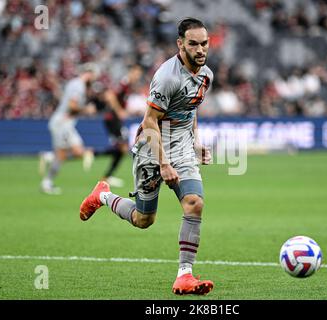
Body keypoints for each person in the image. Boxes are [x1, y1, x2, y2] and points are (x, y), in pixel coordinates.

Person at [79, 18, 214, 295]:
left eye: (204, 43)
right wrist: (163, 162)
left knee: (194, 203)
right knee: (144, 220)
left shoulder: (205, 75)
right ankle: (103, 195)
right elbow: (150, 121)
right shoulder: (167, 77)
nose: (200, 50)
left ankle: (184, 275)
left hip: (182, 146)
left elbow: (191, 109)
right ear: (180, 44)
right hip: (151, 148)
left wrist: (196, 143)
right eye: (193, 44)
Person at [40, 63, 98, 195]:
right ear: (89, 73)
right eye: (93, 76)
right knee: (62, 154)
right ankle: (47, 181)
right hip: (62, 123)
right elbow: (72, 106)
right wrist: (86, 109)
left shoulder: (75, 84)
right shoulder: (79, 86)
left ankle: (50, 158)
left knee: (78, 152)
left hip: (67, 123)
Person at [92, 65, 144, 187]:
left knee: (121, 149)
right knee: (122, 148)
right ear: (131, 72)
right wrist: (119, 110)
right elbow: (110, 95)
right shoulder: (124, 82)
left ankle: (107, 176)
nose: (138, 76)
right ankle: (93, 153)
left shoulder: (128, 85)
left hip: (114, 119)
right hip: (112, 119)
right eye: (136, 73)